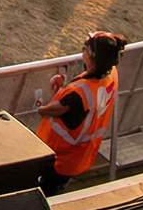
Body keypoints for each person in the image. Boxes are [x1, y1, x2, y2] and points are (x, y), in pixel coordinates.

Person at [34, 31, 126, 195]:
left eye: (85, 49)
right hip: (80, 156)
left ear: (92, 56)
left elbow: (48, 111)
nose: (82, 51)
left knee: (42, 194)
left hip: (58, 159)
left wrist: (40, 106)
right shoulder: (111, 73)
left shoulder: (78, 94)